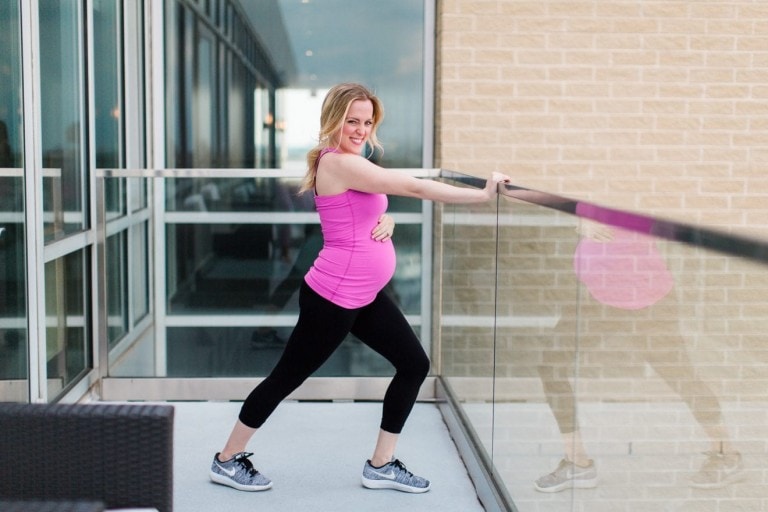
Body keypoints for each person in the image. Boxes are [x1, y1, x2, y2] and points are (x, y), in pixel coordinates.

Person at [209, 82, 511, 493]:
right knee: (286, 378)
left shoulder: (351, 162)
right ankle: (227, 460)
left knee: (413, 365)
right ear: (334, 119)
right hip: (332, 296)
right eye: (352, 120)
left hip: (362, 294)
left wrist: (389, 222)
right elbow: (413, 187)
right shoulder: (336, 162)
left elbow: (365, 210)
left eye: (367, 122)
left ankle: (381, 464)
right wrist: (482, 195)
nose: (360, 129)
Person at [534, 203, 742, 493]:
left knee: (682, 378)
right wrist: (581, 220)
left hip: (648, 304)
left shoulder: (639, 186)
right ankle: (577, 463)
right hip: (598, 299)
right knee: (550, 364)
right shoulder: (595, 177)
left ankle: (726, 455)